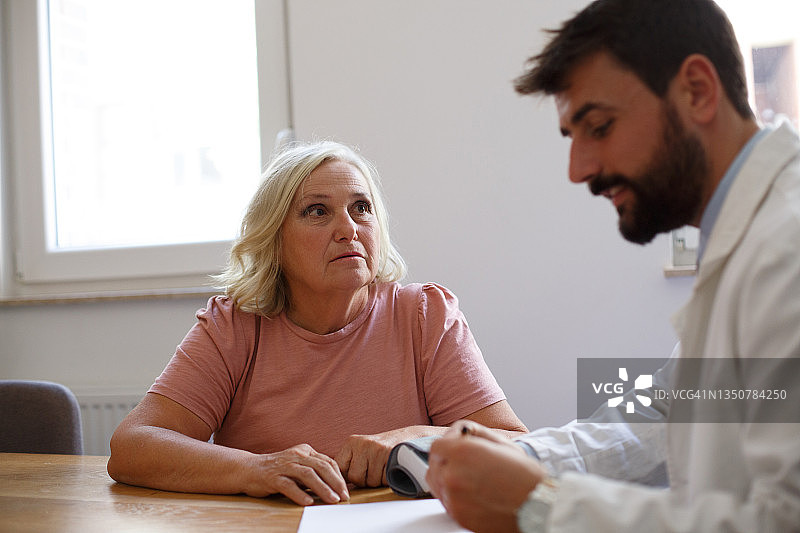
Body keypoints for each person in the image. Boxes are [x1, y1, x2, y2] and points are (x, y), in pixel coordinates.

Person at [425, 0, 800, 531]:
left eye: (598, 127)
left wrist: (543, 508)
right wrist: (524, 457)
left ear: (696, 90)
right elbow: (660, 418)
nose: (578, 170)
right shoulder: (741, 241)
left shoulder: (787, 249)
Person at [107, 141, 527, 506]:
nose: (348, 229)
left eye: (361, 208)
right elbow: (133, 447)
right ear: (275, 241)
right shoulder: (233, 326)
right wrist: (257, 469)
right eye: (317, 211)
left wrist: (417, 437)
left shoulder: (426, 315)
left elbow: (518, 444)